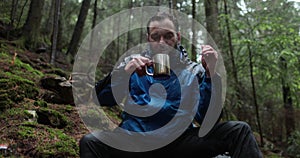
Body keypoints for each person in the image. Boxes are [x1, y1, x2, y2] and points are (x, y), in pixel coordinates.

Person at [79, 12, 263, 158]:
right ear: (148, 38)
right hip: (135, 141)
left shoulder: (194, 71)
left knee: (239, 131)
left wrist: (211, 74)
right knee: (91, 141)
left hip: (179, 143)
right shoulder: (132, 63)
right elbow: (101, 99)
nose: (162, 43)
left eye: (168, 36)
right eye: (155, 36)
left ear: (178, 37)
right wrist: (123, 73)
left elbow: (209, 119)